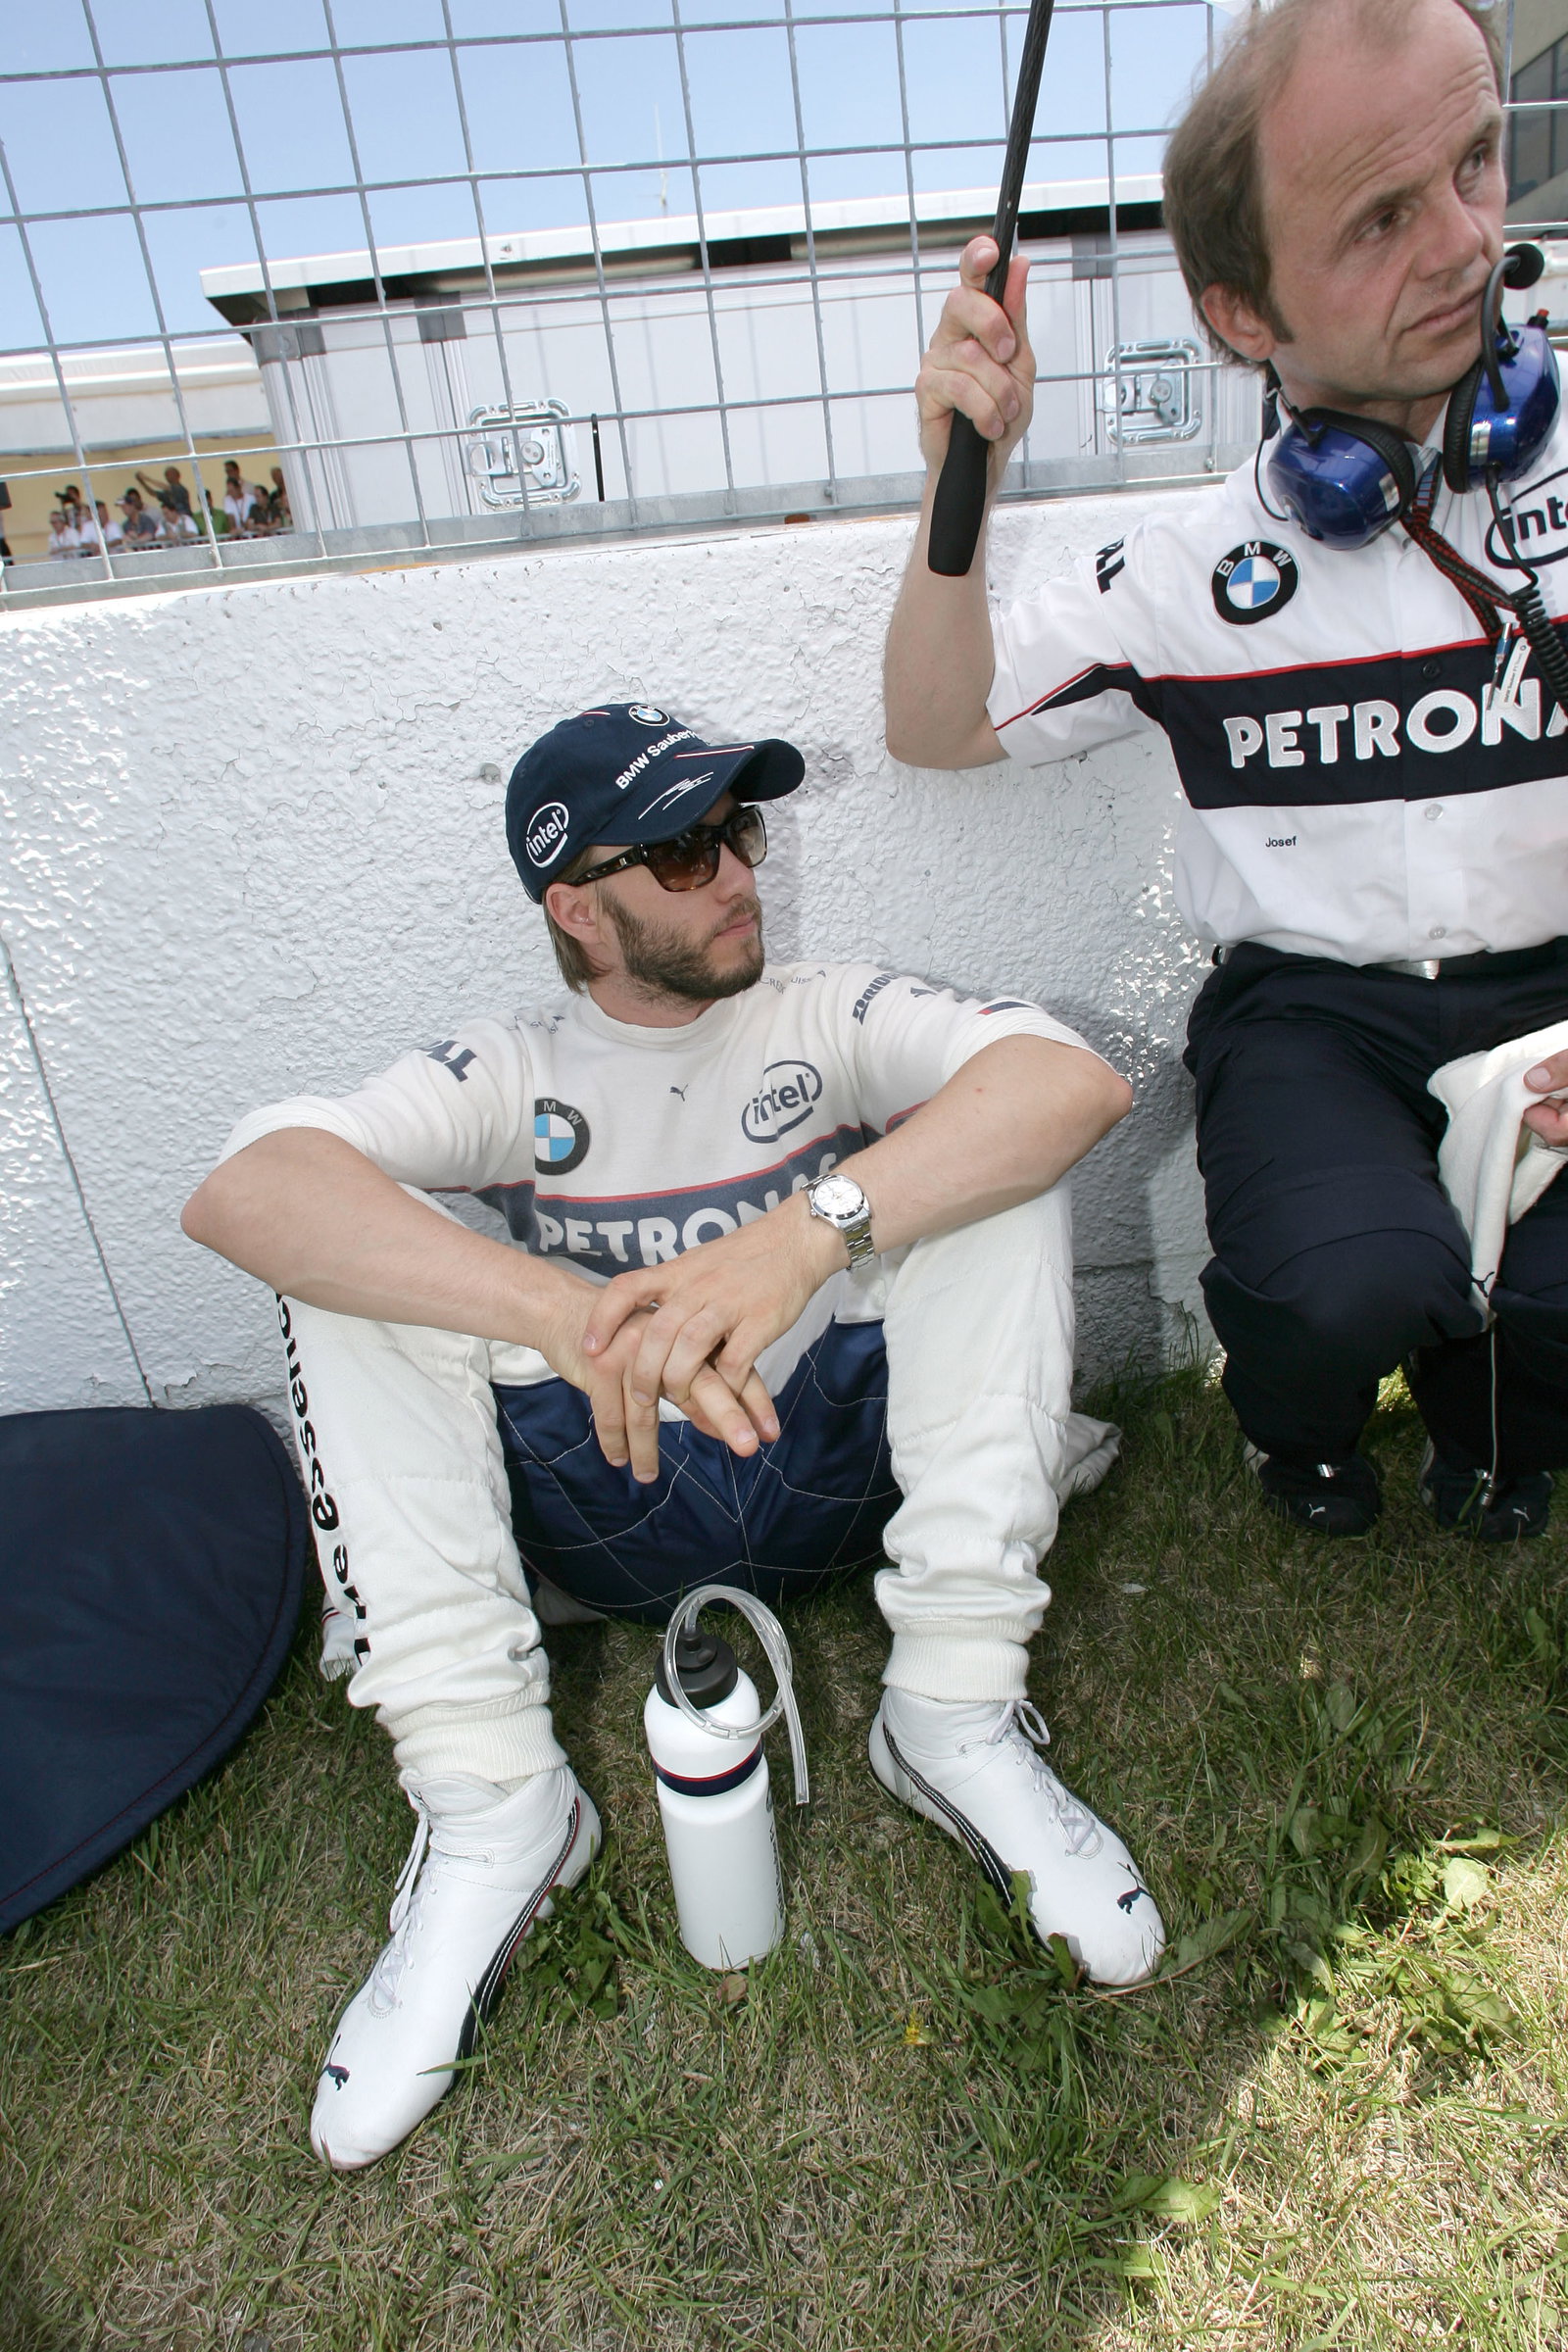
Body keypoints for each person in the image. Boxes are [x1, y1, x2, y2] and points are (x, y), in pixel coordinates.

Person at [181, 701, 1164, 2172]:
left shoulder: (827, 1008)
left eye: (742, 831)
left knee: (994, 1165)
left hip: (834, 1469)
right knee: (345, 1283)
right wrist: (567, 1313)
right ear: (576, 905)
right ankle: (495, 1813)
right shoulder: (511, 1066)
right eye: (687, 850)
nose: (738, 874)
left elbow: (1069, 1083)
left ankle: (952, 1708)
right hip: (614, 1505)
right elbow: (246, 1189)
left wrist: (801, 1238)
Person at [884, 0, 1568, 1544]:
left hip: (1560, 988)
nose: (1465, 244)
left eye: (1475, 161)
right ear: (1243, 313)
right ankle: (1304, 1437)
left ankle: (1494, 1428)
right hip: (1315, 1013)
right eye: (1381, 218)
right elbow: (934, 722)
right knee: (1340, 1287)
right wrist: (957, 461)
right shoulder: (1193, 570)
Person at [135, 464, 194, 528]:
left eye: (170, 474)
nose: (168, 477)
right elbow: (153, 493)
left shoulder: (181, 489)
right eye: (166, 475)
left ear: (178, 475)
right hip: (172, 523)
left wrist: (147, 478)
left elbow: (166, 487)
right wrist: (142, 482)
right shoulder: (167, 492)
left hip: (185, 522)